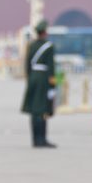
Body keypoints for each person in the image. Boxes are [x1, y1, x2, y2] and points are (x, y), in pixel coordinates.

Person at [22, 20, 57, 148]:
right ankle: (42, 139)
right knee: (42, 109)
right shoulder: (48, 46)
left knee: (34, 111)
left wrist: (29, 78)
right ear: (45, 32)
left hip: (33, 78)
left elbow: (27, 64)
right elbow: (51, 67)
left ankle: (35, 140)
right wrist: (52, 85)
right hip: (43, 79)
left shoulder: (31, 45)